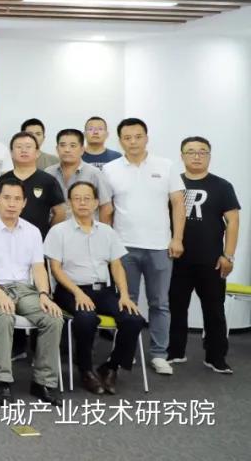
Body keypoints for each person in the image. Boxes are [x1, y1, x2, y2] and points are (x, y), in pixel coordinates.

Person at [0, 178, 63, 405]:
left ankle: (43, 382)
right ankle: (4, 382)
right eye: (7, 198)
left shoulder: (32, 231)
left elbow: (39, 268)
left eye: (17, 199)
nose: (12, 204)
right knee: (3, 316)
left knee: (53, 318)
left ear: (24, 203)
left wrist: (44, 294)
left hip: (25, 289)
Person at [103, 118, 185, 375]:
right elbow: (106, 210)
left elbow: (178, 204)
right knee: (126, 302)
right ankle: (124, 352)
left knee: (160, 303)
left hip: (160, 245)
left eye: (138, 136)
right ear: (120, 141)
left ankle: (159, 354)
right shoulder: (110, 169)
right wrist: (108, 244)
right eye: (127, 138)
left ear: (146, 138)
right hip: (124, 247)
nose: (133, 142)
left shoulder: (166, 165)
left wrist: (177, 238)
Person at [46, 181, 145, 394]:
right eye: (77, 198)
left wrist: (124, 295)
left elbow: (116, 266)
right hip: (70, 291)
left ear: (96, 202)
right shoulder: (58, 231)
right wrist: (78, 292)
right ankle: (85, 370)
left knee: (134, 319)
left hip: (104, 291)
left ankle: (111, 366)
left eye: (87, 198)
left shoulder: (107, 232)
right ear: (70, 203)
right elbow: (55, 269)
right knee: (86, 318)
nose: (82, 203)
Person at [168, 136, 241, 374]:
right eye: (190, 151)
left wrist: (228, 256)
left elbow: (233, 222)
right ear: (182, 156)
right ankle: (175, 351)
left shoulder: (222, 186)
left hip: (211, 260)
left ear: (209, 155)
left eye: (202, 151)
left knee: (214, 310)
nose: (197, 156)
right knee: (176, 307)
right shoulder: (173, 183)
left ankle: (216, 357)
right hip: (176, 258)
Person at [0, 132, 66, 238]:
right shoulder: (3, 179)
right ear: (11, 153)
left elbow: (60, 212)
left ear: (37, 153)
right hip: (6, 237)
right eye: (19, 147)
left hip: (39, 240)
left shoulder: (48, 180)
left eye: (28, 147)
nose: (23, 150)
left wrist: (49, 235)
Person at [45, 128, 114, 223]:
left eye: (73, 146)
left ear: (82, 150)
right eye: (62, 145)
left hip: (87, 230)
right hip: (56, 229)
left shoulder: (94, 173)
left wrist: (102, 231)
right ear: (57, 149)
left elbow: (106, 207)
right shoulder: (49, 172)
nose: (67, 150)